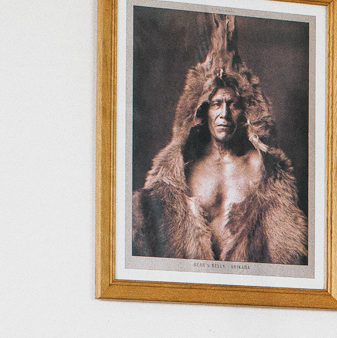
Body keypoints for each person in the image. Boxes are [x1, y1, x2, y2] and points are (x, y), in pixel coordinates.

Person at [132, 16, 308, 266]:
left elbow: (285, 244)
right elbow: (149, 230)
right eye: (216, 104)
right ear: (203, 111)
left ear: (245, 111)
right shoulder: (182, 167)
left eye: (232, 104)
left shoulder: (263, 167)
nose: (224, 113)